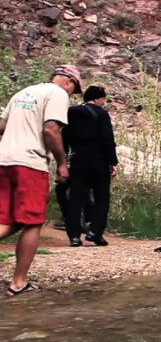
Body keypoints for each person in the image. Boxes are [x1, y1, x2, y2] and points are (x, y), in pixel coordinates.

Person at [0, 65, 81, 296]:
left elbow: (2, 126)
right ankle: (18, 282)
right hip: (30, 163)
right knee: (32, 222)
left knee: (7, 220)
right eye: (74, 89)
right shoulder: (57, 94)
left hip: (4, 160)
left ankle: (19, 280)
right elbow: (51, 130)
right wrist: (62, 164)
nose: (71, 94)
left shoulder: (23, 92)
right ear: (68, 81)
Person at [63, 85, 118, 247]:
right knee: (102, 198)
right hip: (99, 162)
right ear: (97, 98)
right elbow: (108, 139)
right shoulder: (101, 114)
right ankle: (95, 232)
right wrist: (113, 162)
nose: (103, 102)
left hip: (78, 160)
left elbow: (64, 136)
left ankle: (73, 236)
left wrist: (64, 158)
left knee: (76, 198)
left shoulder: (71, 113)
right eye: (103, 99)